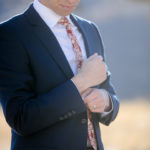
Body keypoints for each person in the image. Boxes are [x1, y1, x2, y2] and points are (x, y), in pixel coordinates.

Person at [0, 0, 119, 150]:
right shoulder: (11, 33)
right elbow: (20, 119)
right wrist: (81, 81)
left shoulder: (90, 29)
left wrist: (106, 101)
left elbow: (110, 95)